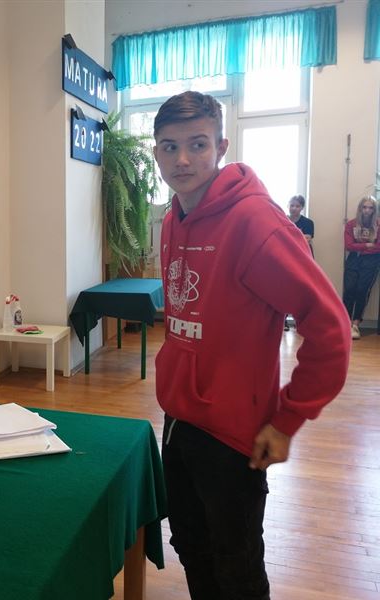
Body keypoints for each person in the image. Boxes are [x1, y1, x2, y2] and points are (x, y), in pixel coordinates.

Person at [152, 91, 351, 600]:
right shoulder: (172, 219)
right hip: (178, 420)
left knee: (236, 565)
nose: (182, 159)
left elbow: (329, 326)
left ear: (221, 147)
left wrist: (287, 420)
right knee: (191, 544)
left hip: (233, 434)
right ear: (156, 152)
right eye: (170, 146)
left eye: (197, 144)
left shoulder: (255, 223)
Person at [342, 195, 380, 340]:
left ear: (374, 210)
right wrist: (367, 245)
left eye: (370, 208)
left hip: (371, 261)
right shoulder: (351, 224)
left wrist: (359, 246)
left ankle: (356, 324)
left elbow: (378, 247)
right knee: (349, 290)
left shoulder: (378, 224)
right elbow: (348, 246)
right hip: (354, 259)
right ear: (360, 208)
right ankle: (345, 322)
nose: (367, 210)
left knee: (362, 291)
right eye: (364, 207)